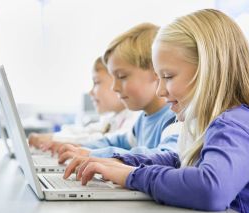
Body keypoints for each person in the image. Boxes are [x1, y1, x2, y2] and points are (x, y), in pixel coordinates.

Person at [63, 9, 249, 212]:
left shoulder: (237, 125)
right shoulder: (218, 122)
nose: (160, 90)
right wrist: (121, 162)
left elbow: (211, 190)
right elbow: (179, 161)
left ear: (210, 72)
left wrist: (132, 175)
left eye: (168, 77)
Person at [58, 23, 180, 162]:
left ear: (156, 72)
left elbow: (165, 157)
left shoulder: (175, 117)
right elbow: (116, 142)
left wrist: (96, 155)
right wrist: (81, 148)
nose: (114, 87)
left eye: (122, 77)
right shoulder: (143, 119)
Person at [28, 57, 138, 154]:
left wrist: (56, 139)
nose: (90, 92)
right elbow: (86, 131)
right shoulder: (112, 118)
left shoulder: (135, 117)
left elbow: (105, 140)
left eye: (97, 82)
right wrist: (52, 137)